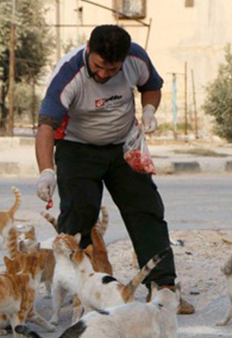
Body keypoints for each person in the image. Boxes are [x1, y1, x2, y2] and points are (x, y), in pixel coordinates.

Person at [34, 25, 194, 314]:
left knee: (146, 210)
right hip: (77, 148)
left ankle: (164, 289)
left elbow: (151, 86)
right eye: (98, 66)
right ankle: (81, 294)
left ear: (123, 60)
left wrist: (149, 110)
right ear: (88, 49)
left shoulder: (136, 58)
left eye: (112, 69)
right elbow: (46, 126)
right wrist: (47, 171)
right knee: (78, 216)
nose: (103, 74)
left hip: (123, 146)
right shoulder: (68, 74)